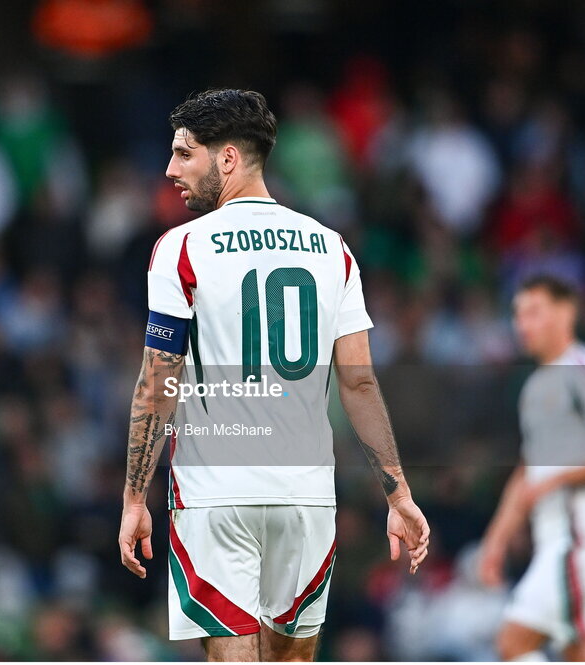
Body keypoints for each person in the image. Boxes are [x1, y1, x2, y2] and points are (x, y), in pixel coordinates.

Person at [116, 89, 430, 661]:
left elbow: (158, 380)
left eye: (185, 154)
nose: (170, 170)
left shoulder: (180, 248)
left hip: (216, 494)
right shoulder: (332, 249)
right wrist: (398, 492)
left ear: (228, 158)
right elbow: (358, 384)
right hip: (305, 497)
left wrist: (135, 497)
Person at [480, 275, 585, 661]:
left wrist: (559, 477)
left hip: (584, 539)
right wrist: (497, 540)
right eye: (518, 314)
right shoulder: (535, 386)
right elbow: (526, 472)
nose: (523, 324)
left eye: (534, 312)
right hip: (564, 539)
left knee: (512, 644)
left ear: (567, 313)